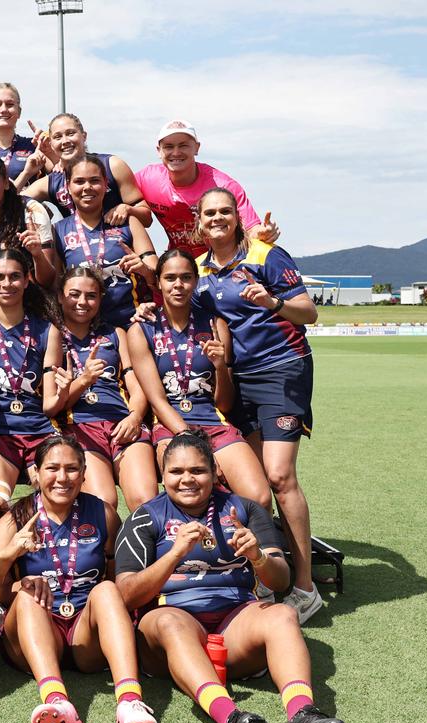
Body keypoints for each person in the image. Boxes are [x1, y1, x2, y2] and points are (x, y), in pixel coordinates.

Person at [114, 430, 348, 723]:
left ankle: (302, 716)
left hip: (235, 623)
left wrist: (258, 557)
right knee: (168, 622)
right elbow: (126, 594)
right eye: (176, 472)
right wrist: (174, 554)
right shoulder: (145, 518)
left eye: (197, 470)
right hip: (171, 629)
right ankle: (232, 719)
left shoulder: (245, 509)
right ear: (162, 477)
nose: (187, 480)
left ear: (214, 472)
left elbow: (280, 581)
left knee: (282, 615)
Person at [192, 188, 321, 623]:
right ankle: (265, 573)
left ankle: (305, 587)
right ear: (199, 221)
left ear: (236, 217)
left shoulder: (266, 254)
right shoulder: (199, 270)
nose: (217, 219)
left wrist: (274, 303)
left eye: (225, 212)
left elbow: (308, 312)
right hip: (236, 379)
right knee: (254, 486)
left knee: (281, 476)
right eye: (209, 213)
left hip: (282, 369)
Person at [0, 435, 159, 723]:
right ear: (36, 473)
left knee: (105, 590)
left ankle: (129, 701)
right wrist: (10, 555)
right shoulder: (15, 518)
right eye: (53, 468)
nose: (62, 477)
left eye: (72, 469)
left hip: (85, 636)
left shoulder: (103, 513)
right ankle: (55, 701)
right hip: (34, 635)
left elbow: (119, 576)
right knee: (29, 592)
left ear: (84, 473)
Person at [127, 249, 272, 509]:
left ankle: (244, 545)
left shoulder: (216, 325)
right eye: (170, 278)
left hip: (213, 421)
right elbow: (157, 401)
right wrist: (191, 441)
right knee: (188, 492)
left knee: (259, 497)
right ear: (158, 281)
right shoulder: (142, 330)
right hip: (170, 427)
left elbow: (225, 404)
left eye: (186, 277)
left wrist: (219, 366)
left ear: (195, 281)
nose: (178, 285)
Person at [44, 267, 158, 530]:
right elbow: (53, 407)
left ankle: (152, 563)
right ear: (60, 297)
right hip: (80, 426)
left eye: (91, 296)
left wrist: (135, 417)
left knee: (145, 500)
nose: (82, 302)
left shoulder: (116, 333)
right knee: (102, 504)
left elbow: (136, 384)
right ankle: (113, 564)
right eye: (74, 294)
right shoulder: (52, 336)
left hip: (123, 424)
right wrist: (83, 380)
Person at [0, 249, 59, 509]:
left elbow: (52, 400)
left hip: (41, 431)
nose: (7, 284)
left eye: (14, 277)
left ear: (26, 280)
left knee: (59, 497)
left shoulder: (48, 330)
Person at [135, 119, 279, 256]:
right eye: (169, 147)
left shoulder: (224, 186)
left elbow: (251, 230)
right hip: (183, 267)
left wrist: (263, 233)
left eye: (183, 145)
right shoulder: (146, 178)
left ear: (196, 148)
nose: (176, 152)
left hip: (224, 265)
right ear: (158, 151)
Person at [51, 155, 157, 329]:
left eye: (94, 181)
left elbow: (157, 278)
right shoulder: (58, 231)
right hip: (84, 330)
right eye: (79, 181)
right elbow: (55, 288)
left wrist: (144, 270)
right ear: (68, 186)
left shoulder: (129, 222)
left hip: (132, 322)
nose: (87, 187)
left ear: (106, 183)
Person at [19, 113, 151, 226]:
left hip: (120, 251)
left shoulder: (112, 165)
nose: (65, 141)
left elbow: (147, 219)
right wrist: (27, 173)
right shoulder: (51, 182)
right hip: (77, 252)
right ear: (51, 144)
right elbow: (7, 203)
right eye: (58, 137)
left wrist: (128, 209)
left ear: (84, 136)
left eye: (70, 133)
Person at [0, 155, 55, 287]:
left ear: (6, 183)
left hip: (30, 299)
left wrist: (37, 254)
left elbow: (48, 280)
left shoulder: (31, 211)